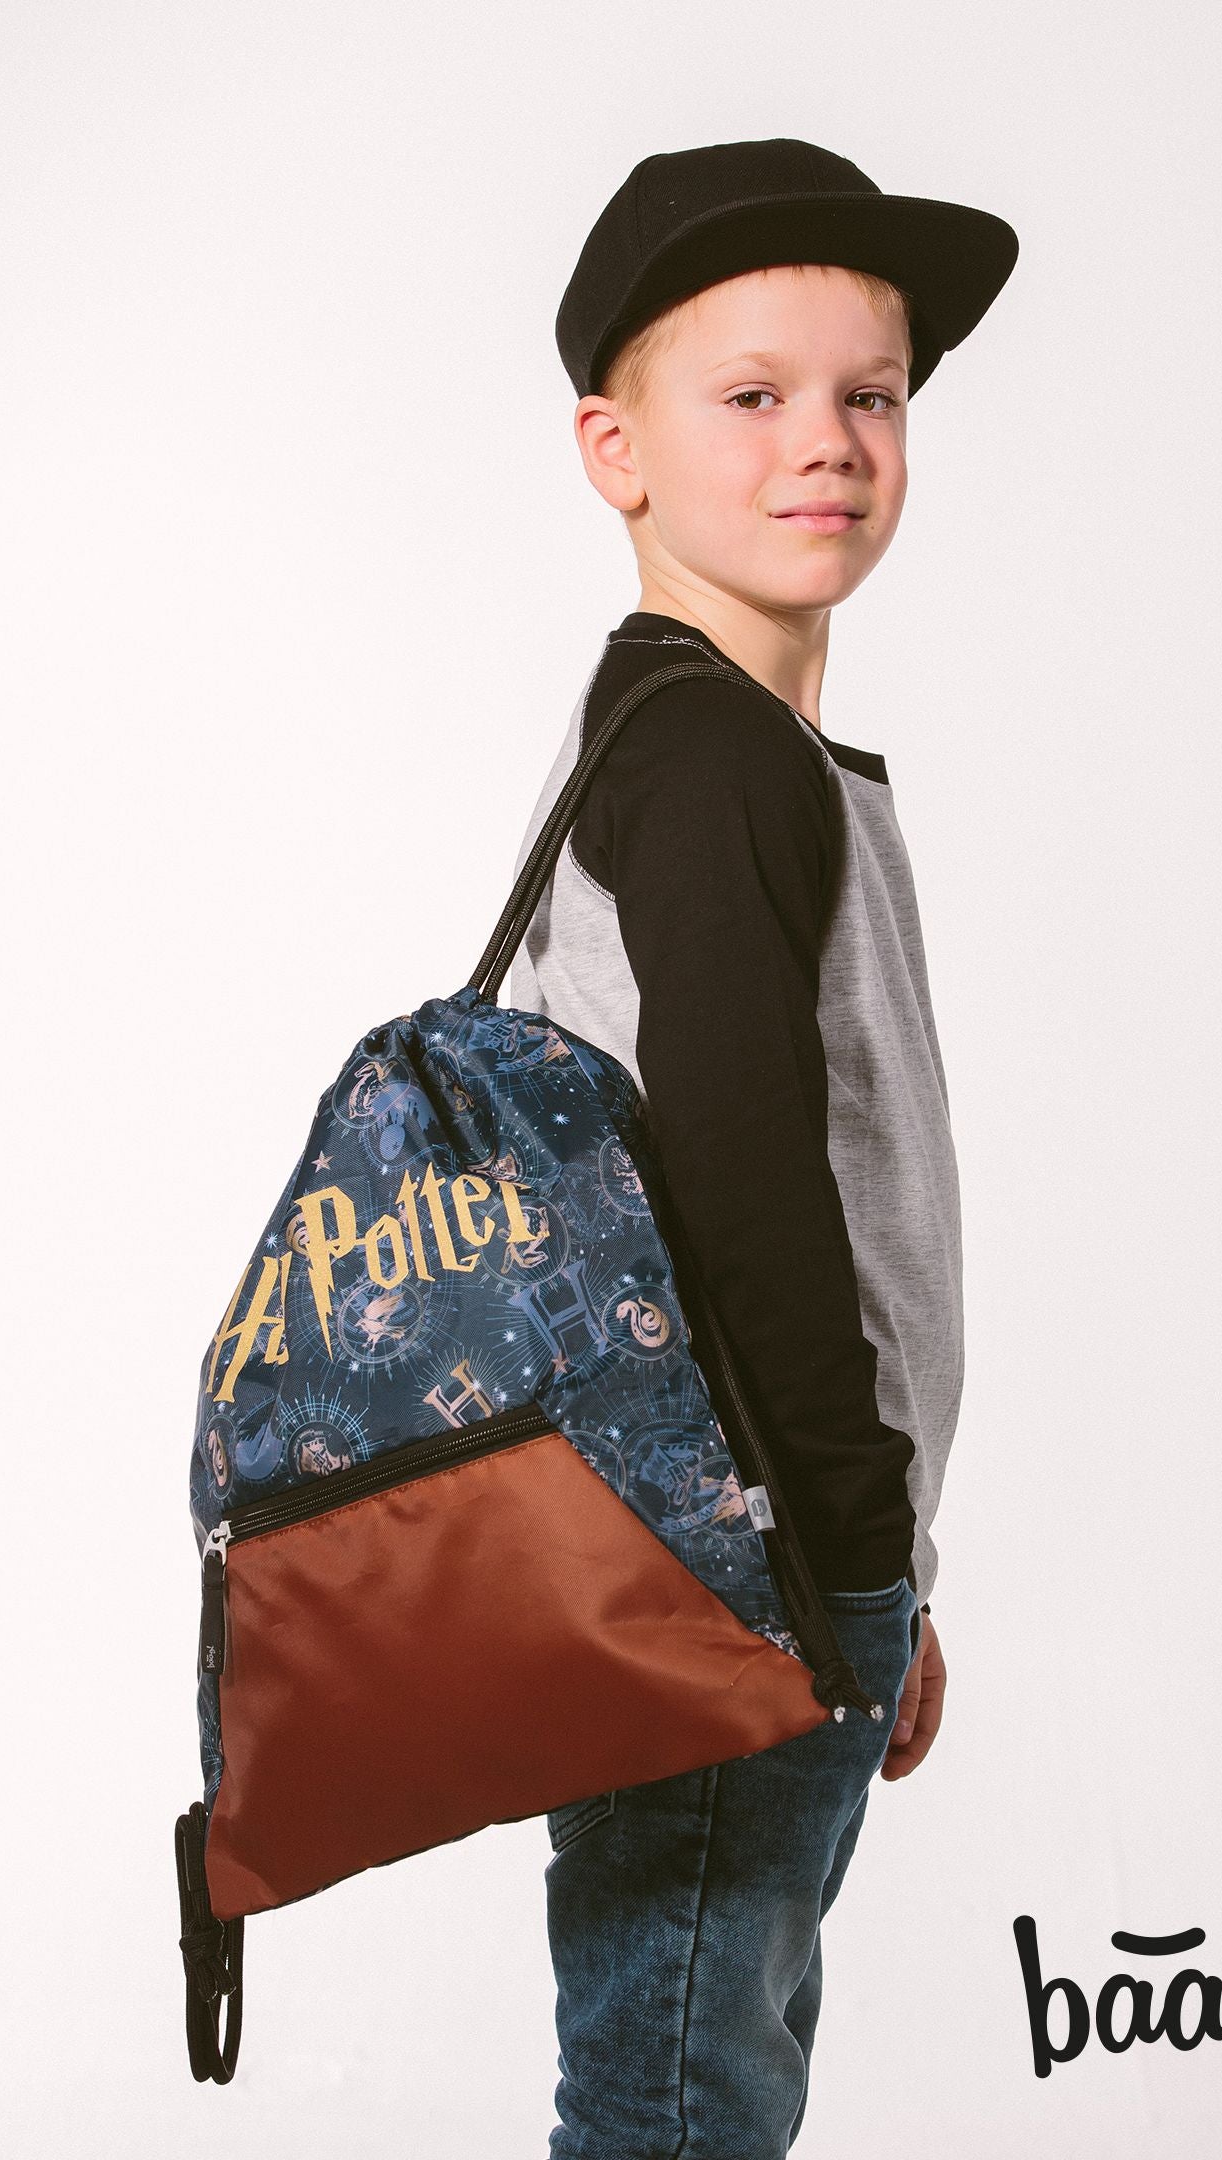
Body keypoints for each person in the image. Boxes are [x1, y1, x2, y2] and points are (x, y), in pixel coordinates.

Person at [504, 135, 1018, 2158]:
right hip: (732, 1572)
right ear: (615, 452)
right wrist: (857, 1556)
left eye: (868, 394)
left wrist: (892, 1565)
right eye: (752, 394)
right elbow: (743, 1193)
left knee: (696, 2058)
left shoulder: (712, 742)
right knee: (684, 2098)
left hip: (735, 1550)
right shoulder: (714, 760)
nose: (827, 440)